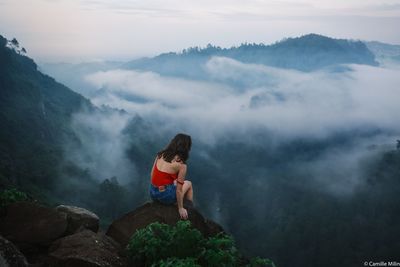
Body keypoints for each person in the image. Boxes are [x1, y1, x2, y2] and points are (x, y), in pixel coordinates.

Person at [149, 133, 193, 219]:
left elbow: (152, 175)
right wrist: (180, 208)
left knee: (175, 182)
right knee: (189, 184)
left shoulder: (160, 154)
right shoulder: (181, 165)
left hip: (153, 192)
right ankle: (190, 210)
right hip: (166, 196)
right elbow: (179, 191)